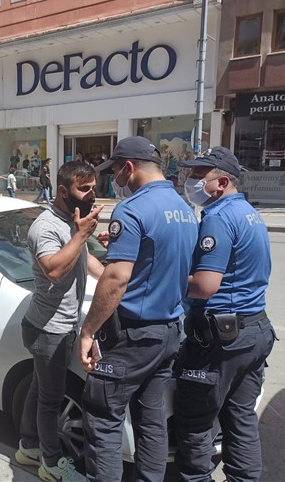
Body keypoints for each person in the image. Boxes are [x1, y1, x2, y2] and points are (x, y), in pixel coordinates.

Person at [77, 136, 198, 482]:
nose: (114, 180)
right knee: (151, 421)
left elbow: (116, 278)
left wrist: (88, 331)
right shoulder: (184, 209)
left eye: (115, 171)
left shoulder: (131, 209)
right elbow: (160, 258)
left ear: (128, 168)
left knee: (103, 418)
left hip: (132, 337)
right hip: (168, 332)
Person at [174, 147, 276, 482]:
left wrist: (166, 276)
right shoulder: (248, 212)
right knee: (240, 417)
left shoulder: (218, 217)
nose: (190, 180)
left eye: (198, 175)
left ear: (221, 182)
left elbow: (205, 286)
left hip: (222, 340)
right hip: (254, 330)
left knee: (195, 422)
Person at [14, 160, 104, 482]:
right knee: (50, 400)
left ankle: (28, 447)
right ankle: (51, 464)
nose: (91, 194)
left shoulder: (72, 221)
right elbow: (53, 269)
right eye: (84, 188)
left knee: (40, 389)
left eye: (93, 188)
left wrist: (114, 280)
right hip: (48, 330)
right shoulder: (46, 227)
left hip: (61, 326)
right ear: (63, 191)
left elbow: (86, 259)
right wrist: (81, 234)